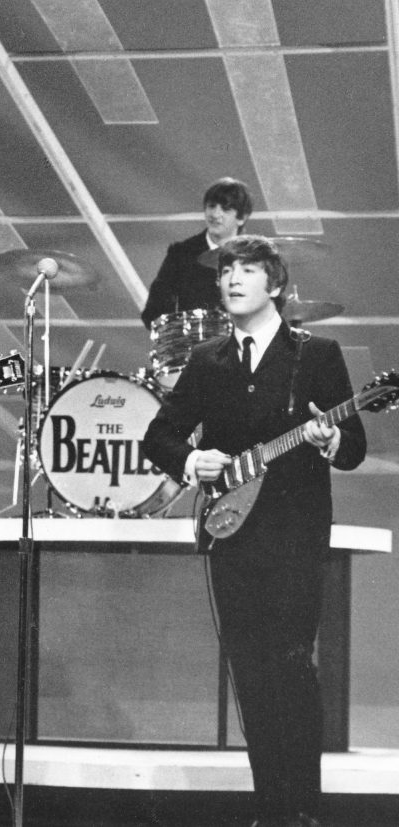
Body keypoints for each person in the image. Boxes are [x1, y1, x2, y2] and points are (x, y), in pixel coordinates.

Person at [142, 235, 366, 827]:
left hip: (295, 537)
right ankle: (270, 811)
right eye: (226, 271)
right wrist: (193, 461)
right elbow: (158, 436)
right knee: (249, 673)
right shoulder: (207, 359)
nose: (232, 279)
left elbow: (354, 448)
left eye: (246, 270)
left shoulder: (316, 355)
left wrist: (331, 438)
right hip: (230, 533)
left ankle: (304, 811)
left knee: (293, 667)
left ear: (276, 284)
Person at [141, 176, 253, 329]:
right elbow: (154, 312)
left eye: (225, 209)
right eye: (211, 206)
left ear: (242, 218)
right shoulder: (181, 254)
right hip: (193, 341)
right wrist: (178, 332)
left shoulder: (255, 257)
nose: (215, 214)